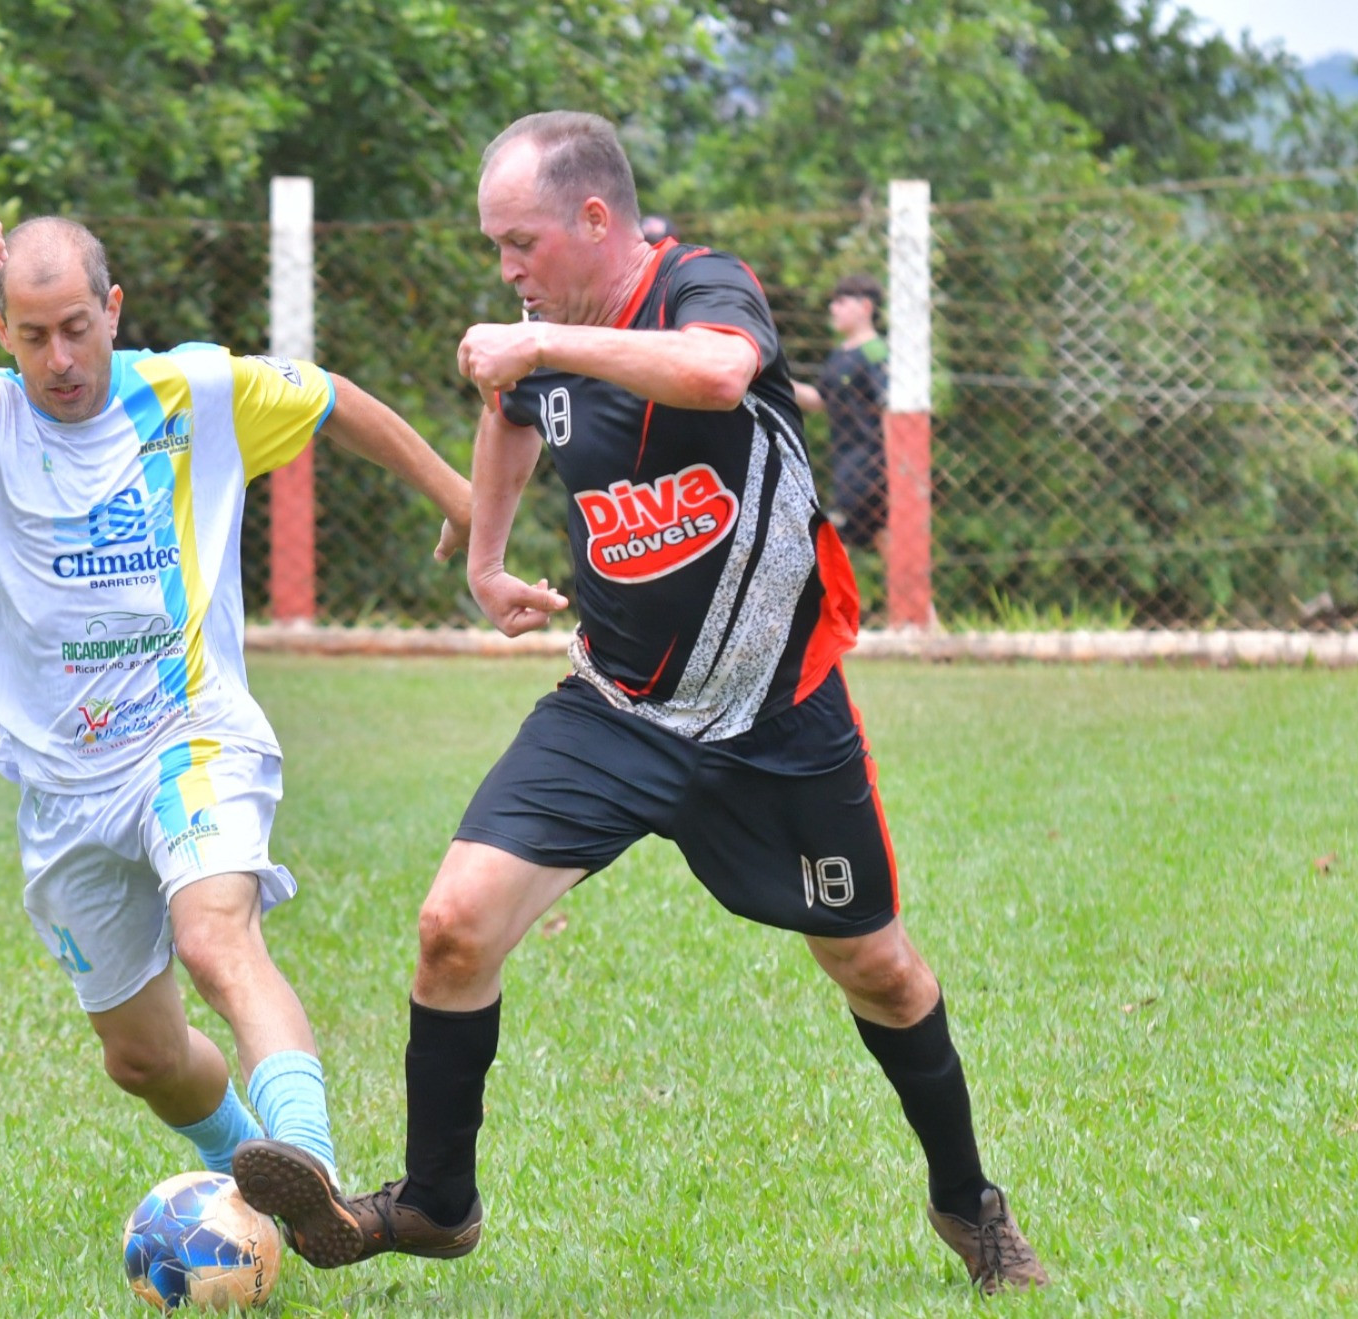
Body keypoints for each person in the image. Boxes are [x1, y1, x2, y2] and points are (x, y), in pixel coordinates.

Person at [231, 111, 1048, 1295]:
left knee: (878, 969)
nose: (507, 269)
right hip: (615, 703)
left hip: (775, 714)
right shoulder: (540, 334)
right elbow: (515, 414)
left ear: (595, 220)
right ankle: (431, 1204)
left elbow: (716, 371)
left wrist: (545, 343)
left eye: (520, 242)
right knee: (452, 926)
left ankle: (968, 1206)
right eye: (496, 247)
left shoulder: (701, 287)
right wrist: (485, 556)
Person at [0, 215, 471, 1189]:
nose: (61, 358)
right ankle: (242, 1167)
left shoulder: (190, 390)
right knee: (141, 1058)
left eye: (78, 327)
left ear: (113, 310)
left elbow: (330, 397)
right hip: (62, 784)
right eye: (35, 334)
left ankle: (308, 1168)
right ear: (0, 329)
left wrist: (461, 498)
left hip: (189, 732)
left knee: (216, 938)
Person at [793, 273, 889, 555]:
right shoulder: (840, 354)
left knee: (832, 543)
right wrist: (772, 379)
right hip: (846, 464)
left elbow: (888, 405)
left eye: (841, 302)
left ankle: (829, 601)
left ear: (866, 307)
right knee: (886, 540)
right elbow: (821, 399)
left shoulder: (874, 350)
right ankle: (918, 602)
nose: (833, 308)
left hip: (870, 466)